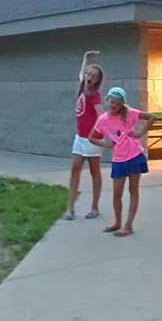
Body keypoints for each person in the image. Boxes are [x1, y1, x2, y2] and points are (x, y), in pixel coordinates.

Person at [88, 87, 156, 237]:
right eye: (112, 102)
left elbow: (152, 117)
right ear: (107, 101)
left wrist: (139, 133)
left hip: (134, 156)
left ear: (122, 104)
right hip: (118, 159)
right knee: (116, 194)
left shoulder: (130, 113)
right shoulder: (103, 119)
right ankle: (117, 222)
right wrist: (107, 145)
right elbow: (91, 137)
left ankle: (128, 225)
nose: (114, 106)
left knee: (133, 190)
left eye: (117, 104)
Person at [64, 51, 105, 221]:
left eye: (94, 76)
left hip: (91, 139)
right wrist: (86, 57)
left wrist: (112, 128)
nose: (89, 77)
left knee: (95, 172)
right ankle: (70, 208)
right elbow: (81, 72)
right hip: (79, 138)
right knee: (75, 170)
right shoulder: (82, 86)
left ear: (97, 81)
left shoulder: (94, 95)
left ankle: (95, 207)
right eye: (89, 73)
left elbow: (101, 113)